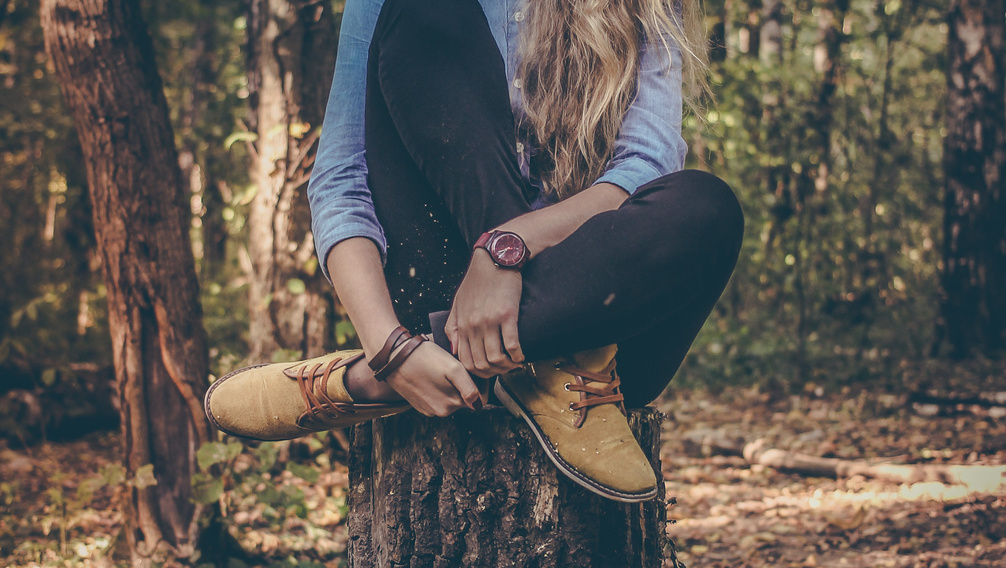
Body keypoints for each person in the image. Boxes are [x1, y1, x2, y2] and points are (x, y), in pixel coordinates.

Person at [205, 0, 743, 503]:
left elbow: (646, 163)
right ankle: (497, 360)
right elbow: (342, 180)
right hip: (446, 282)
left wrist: (504, 251)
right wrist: (385, 338)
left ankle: (364, 383)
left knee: (707, 205)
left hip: (595, 326)